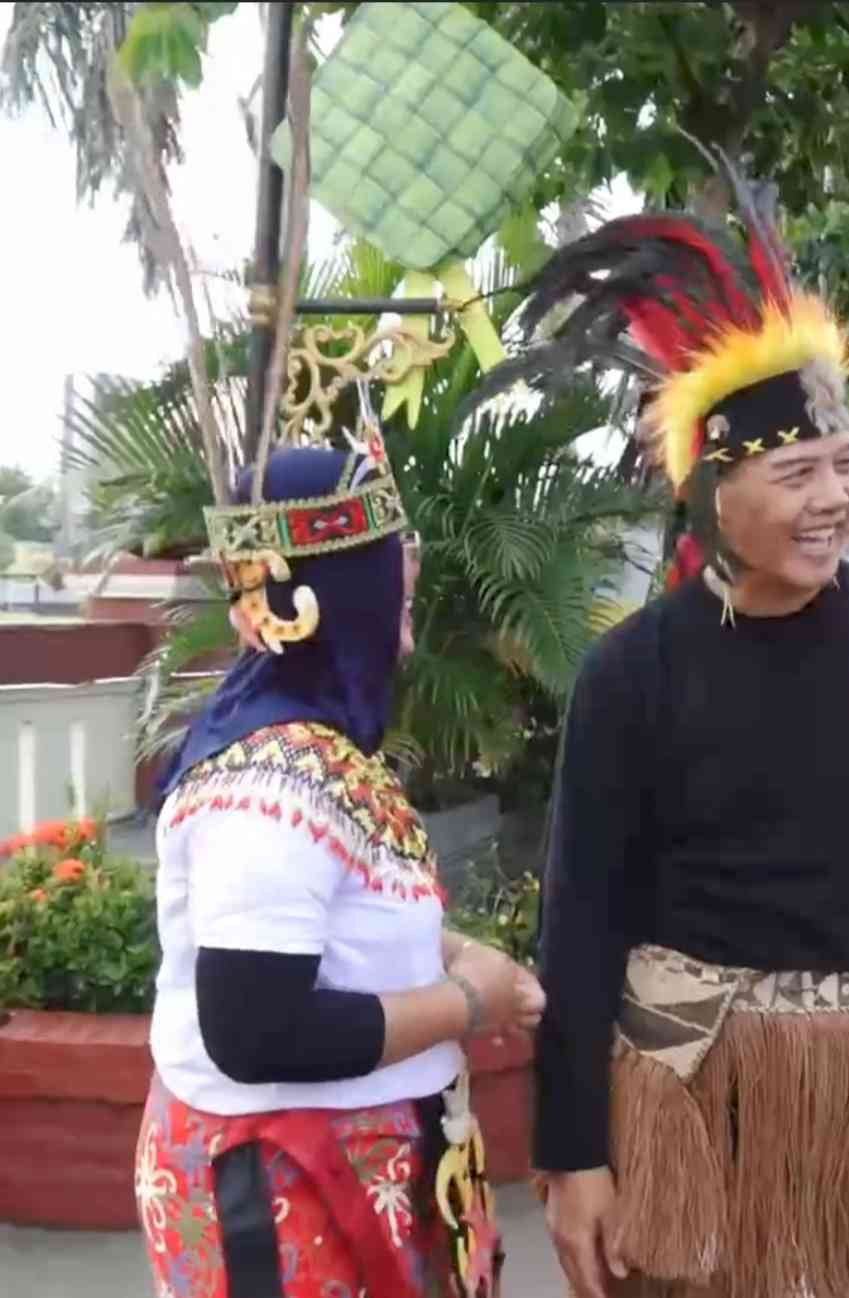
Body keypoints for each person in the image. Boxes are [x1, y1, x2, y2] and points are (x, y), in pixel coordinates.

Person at [472, 172, 849, 1298]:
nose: (834, 496)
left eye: (843, 464)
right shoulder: (630, 672)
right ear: (711, 494)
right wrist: (576, 1152)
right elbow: (580, 920)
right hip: (686, 1100)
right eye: (795, 473)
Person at [137, 439, 544, 1298]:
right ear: (341, 593)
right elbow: (257, 1030)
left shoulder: (313, 752)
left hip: (343, 1170)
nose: (410, 586)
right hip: (291, 1182)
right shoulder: (269, 784)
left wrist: (451, 950)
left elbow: (338, 930)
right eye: (392, 566)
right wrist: (469, 1004)